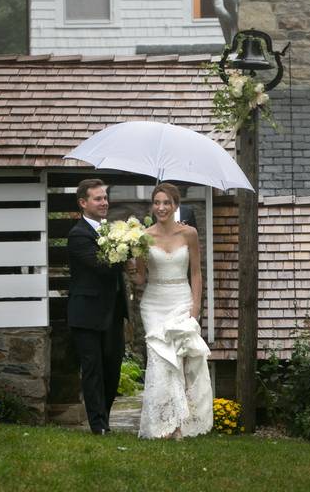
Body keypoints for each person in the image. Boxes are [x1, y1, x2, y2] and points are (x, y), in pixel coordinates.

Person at [131, 182, 212, 439]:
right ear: (152, 205)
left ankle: (179, 424)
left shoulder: (189, 234)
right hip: (153, 304)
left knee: (178, 361)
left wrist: (195, 307)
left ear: (176, 206)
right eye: (157, 202)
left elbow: (197, 273)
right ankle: (160, 426)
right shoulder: (144, 236)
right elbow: (140, 279)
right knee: (158, 362)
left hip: (181, 300)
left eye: (167, 203)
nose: (161, 207)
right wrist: (129, 263)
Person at [67, 179, 128, 435]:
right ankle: (98, 426)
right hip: (87, 313)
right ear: (83, 203)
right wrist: (128, 249)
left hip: (113, 312)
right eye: (98, 198)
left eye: (105, 198)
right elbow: (102, 266)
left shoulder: (110, 231)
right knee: (92, 370)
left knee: (112, 369)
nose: (104, 203)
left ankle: (105, 417)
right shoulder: (78, 234)